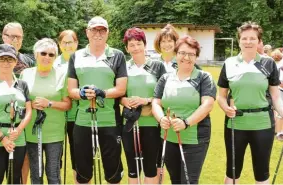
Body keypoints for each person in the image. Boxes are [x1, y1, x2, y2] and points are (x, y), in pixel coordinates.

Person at [217, 22, 283, 184]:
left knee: (262, 173)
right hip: (235, 124)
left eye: (252, 38)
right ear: (239, 41)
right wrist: (225, 107)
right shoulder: (229, 63)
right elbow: (221, 95)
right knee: (232, 171)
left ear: (259, 41)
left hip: (263, 124)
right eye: (244, 38)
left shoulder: (268, 64)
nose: (248, 42)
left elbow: (275, 96)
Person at [68, 16, 127, 183]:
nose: (98, 34)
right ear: (87, 32)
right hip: (83, 120)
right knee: (83, 172)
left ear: (107, 33)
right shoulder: (76, 56)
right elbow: (71, 89)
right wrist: (81, 93)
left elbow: (121, 88)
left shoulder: (118, 55)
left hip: (110, 120)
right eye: (94, 30)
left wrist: (102, 93)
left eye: (102, 30)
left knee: (113, 172)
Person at [152, 35, 216, 184]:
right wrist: (161, 118)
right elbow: (156, 102)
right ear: (176, 54)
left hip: (195, 139)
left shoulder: (204, 77)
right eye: (182, 53)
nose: (186, 57)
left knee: (188, 181)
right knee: (175, 180)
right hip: (168, 137)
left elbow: (207, 105)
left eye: (191, 54)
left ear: (196, 57)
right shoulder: (165, 78)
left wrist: (186, 122)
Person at [20, 38, 71, 184]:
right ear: (36, 55)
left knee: (53, 172)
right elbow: (21, 100)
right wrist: (30, 105)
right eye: (43, 53)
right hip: (32, 132)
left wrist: (48, 103)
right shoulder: (25, 74)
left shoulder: (62, 74)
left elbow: (67, 105)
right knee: (36, 174)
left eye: (51, 54)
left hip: (54, 133)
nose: (47, 57)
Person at [0, 44, 32, 184]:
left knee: (15, 180)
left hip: (17, 138)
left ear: (15, 62)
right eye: (2, 59)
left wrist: (19, 129)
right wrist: (3, 138)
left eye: (10, 59)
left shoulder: (22, 84)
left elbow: (29, 111)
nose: (6, 63)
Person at [120, 27, 165, 184]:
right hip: (130, 124)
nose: (135, 47)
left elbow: (164, 96)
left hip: (152, 123)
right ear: (126, 48)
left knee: (150, 167)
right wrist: (124, 100)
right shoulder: (123, 67)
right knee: (133, 168)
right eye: (131, 44)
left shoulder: (158, 66)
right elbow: (119, 93)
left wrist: (145, 100)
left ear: (145, 45)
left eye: (138, 43)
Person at [1, 22, 35, 184]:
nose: (15, 40)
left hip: (24, 119)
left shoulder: (28, 60)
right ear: (4, 37)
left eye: (19, 37)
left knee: (24, 156)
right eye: (12, 36)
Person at [54, 30, 79, 183]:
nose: (67, 46)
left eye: (71, 42)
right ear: (59, 44)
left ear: (76, 44)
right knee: (56, 157)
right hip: (58, 115)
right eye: (64, 42)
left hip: (77, 115)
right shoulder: (54, 62)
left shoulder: (81, 60)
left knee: (77, 156)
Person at [271, 49, 283, 140]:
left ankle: (277, 131)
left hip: (278, 89)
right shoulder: (280, 65)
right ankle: (279, 133)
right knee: (278, 113)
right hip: (279, 90)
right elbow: (280, 82)